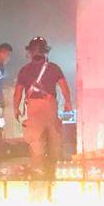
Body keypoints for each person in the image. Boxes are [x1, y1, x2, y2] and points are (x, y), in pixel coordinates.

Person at [13, 36, 72, 178]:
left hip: (33, 107)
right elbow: (64, 87)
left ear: (30, 52)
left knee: (36, 142)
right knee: (54, 138)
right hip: (50, 105)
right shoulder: (54, 68)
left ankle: (38, 172)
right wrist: (68, 103)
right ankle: (55, 170)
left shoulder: (24, 70)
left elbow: (18, 93)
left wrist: (16, 108)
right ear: (45, 51)